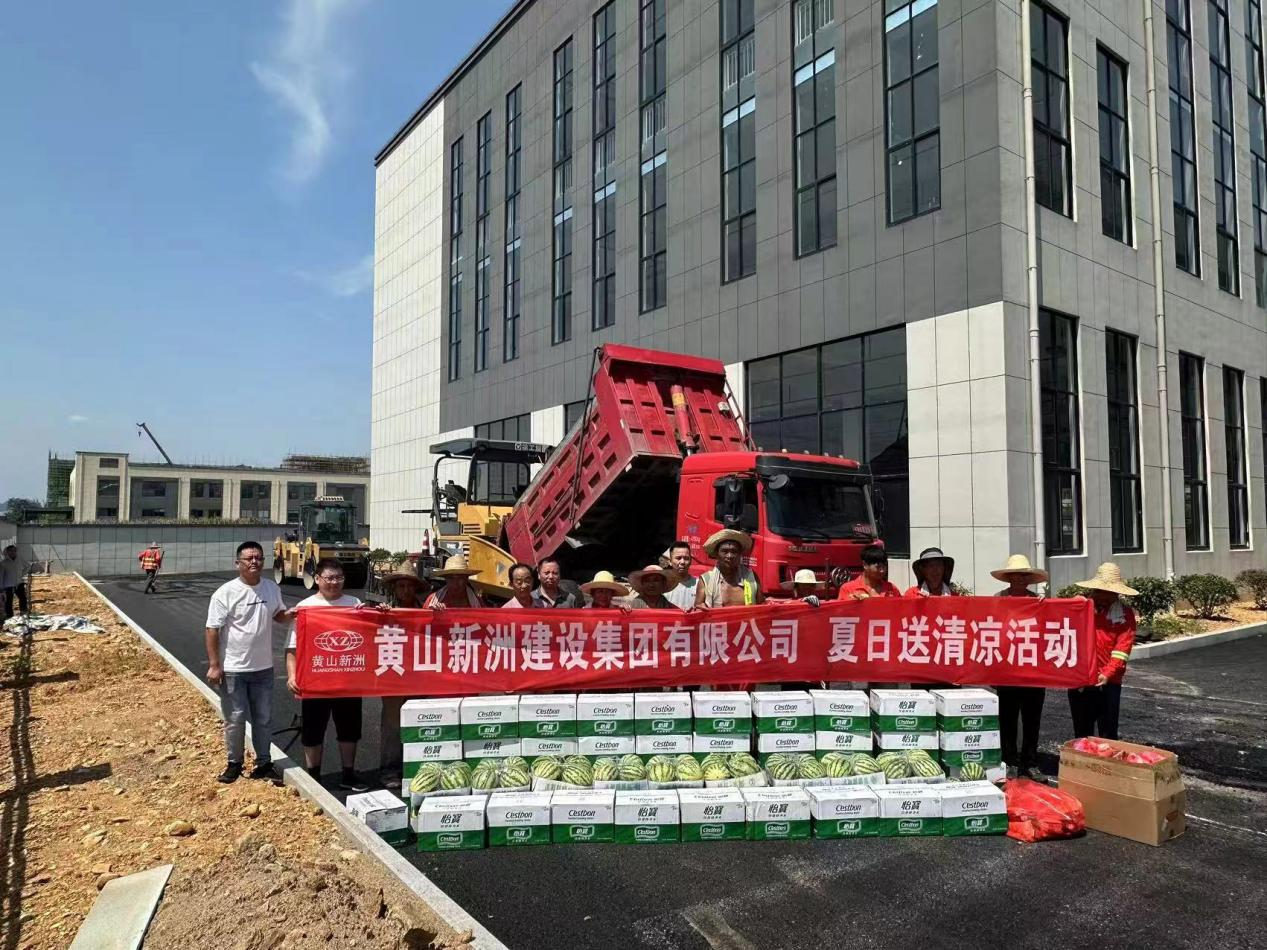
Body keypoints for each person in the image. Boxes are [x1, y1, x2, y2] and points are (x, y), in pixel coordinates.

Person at [205, 540, 295, 783]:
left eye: (258, 558)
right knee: (235, 719)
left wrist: (293, 615)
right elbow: (212, 629)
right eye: (249, 558)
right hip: (233, 669)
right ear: (238, 563)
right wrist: (214, 665)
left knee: (263, 719)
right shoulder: (225, 593)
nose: (254, 561)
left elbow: (278, 615)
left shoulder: (271, 588)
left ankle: (264, 763)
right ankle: (234, 763)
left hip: (263, 668)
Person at [284, 557, 367, 791]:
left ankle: (348, 774)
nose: (334, 582)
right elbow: (292, 648)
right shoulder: (305, 607)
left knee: (349, 729)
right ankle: (314, 776)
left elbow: (369, 634)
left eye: (339, 577)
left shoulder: (354, 603)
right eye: (329, 578)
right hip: (315, 681)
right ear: (317, 579)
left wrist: (374, 613)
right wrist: (292, 676)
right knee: (313, 729)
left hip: (348, 679)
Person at [990, 554, 1050, 781]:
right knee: (1007, 720)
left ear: (1028, 579)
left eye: (1023, 575)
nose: (1018, 579)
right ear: (1008, 578)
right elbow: (989, 631)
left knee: (1032, 720)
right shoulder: (997, 600)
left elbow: (1049, 631)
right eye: (1014, 575)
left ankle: (1030, 762)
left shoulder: (1038, 602)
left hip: (1033, 672)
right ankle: (1009, 761)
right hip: (1007, 670)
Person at [1068, 563, 1137, 741]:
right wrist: (1072, 605)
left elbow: (1122, 649)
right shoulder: (1080, 607)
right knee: (1082, 732)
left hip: (1109, 682)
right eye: (1101, 592)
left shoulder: (1124, 614)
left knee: (1108, 732)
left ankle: (1105, 760)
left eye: (1110, 593)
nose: (1105, 597)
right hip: (1080, 679)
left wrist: (1107, 673)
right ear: (1094, 590)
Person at [378, 571, 425, 790]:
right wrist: (380, 616)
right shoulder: (383, 610)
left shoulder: (426, 610)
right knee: (392, 725)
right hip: (393, 676)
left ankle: (416, 767)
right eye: (401, 586)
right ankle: (390, 769)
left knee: (419, 721)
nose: (405, 590)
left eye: (409, 586)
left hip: (420, 676)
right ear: (394, 589)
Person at [693, 529, 764, 608]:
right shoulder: (706, 580)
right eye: (725, 551)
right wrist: (700, 607)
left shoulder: (751, 578)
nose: (729, 556)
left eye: (734, 551)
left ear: (740, 554)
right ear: (716, 554)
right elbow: (698, 608)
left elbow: (762, 607)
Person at [837, 544, 902, 600]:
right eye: (878, 567)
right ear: (865, 565)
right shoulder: (848, 589)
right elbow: (841, 610)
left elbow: (901, 608)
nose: (882, 570)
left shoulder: (892, 589)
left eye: (884, 566)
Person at [664, 541, 699, 610]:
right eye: (678, 558)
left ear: (691, 561)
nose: (682, 562)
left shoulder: (699, 584)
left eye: (686, 558)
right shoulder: (662, 585)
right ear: (670, 561)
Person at [2, 545, 30, 620]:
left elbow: (28, 566)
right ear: (7, 552)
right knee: (9, 601)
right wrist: (1, 586)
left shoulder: (20, 559)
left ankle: (23, 613)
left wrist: (22, 574)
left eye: (14, 551)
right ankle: (9, 616)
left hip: (19, 582)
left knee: (23, 598)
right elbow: (1, 575)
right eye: (10, 551)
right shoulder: (4, 563)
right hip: (8, 584)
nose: (12, 552)